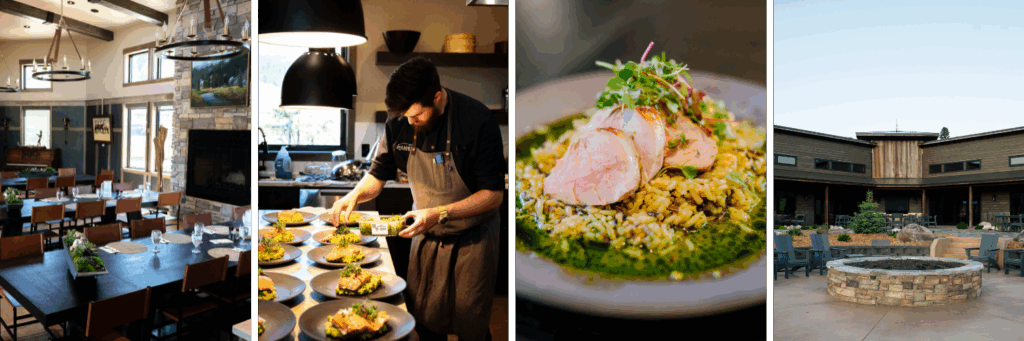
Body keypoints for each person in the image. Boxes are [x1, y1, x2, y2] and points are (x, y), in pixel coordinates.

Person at [329, 57, 504, 341]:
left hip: (473, 241)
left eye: (417, 115)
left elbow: (493, 196)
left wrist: (439, 212)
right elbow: (378, 175)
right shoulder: (398, 120)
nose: (410, 122)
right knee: (423, 320)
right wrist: (354, 195)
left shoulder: (477, 120)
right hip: (424, 236)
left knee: (469, 322)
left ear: (436, 97)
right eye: (405, 116)